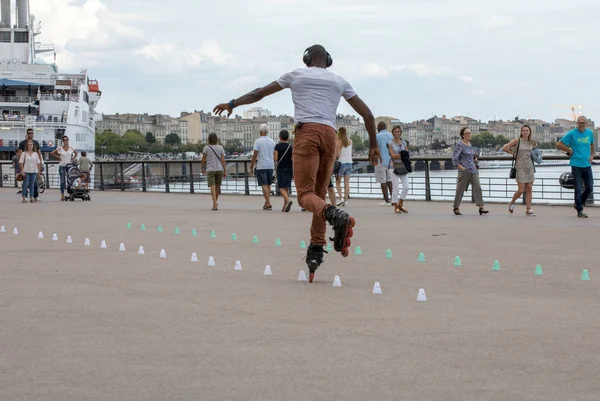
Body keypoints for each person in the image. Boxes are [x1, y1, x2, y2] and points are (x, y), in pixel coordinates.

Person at [213, 44, 380, 283]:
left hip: (308, 134)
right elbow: (368, 115)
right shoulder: (339, 81)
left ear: (306, 59)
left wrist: (232, 104)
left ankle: (333, 214)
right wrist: (373, 144)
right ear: (328, 61)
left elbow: (260, 93)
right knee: (319, 195)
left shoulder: (296, 75)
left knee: (304, 196)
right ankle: (316, 249)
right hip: (330, 136)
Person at [556, 115, 595, 218]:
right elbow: (558, 144)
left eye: (583, 123)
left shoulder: (590, 133)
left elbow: (592, 145)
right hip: (576, 165)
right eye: (579, 122)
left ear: (586, 124)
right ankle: (580, 210)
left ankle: (578, 203)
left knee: (590, 187)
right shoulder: (572, 134)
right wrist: (569, 150)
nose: (581, 124)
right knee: (577, 188)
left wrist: (592, 155)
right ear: (577, 123)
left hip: (587, 164)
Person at [452, 127, 489, 216]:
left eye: (470, 133)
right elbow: (454, 159)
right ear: (463, 135)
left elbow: (471, 155)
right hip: (464, 171)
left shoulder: (469, 144)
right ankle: (456, 207)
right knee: (460, 189)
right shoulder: (460, 145)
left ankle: (481, 207)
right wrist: (462, 168)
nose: (469, 134)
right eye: (467, 133)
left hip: (473, 169)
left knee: (478, 187)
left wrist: (475, 158)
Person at [502, 125, 537, 216]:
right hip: (520, 167)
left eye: (527, 131)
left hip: (529, 166)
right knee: (521, 190)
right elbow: (504, 148)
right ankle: (512, 202)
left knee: (529, 188)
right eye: (524, 131)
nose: (525, 132)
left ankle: (528, 209)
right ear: (521, 132)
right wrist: (513, 154)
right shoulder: (517, 141)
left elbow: (536, 152)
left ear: (530, 132)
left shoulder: (532, 142)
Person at [250, 124, 276, 210]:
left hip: (261, 165)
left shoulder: (258, 141)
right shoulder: (272, 141)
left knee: (264, 185)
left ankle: (268, 203)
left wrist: (251, 166)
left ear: (260, 131)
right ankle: (267, 202)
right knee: (268, 184)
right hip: (270, 165)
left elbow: (255, 154)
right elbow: (274, 154)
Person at [387, 125, 411, 214]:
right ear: (392, 133)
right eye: (395, 132)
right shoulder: (390, 143)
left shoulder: (404, 143)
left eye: (398, 131)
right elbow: (392, 155)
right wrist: (403, 155)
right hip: (393, 166)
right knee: (395, 187)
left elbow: (407, 154)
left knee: (406, 187)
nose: (396, 133)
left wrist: (402, 155)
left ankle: (401, 204)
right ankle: (395, 206)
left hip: (403, 166)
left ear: (400, 132)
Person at [201, 133, 227, 211]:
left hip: (210, 170)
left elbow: (203, 160)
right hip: (219, 169)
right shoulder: (220, 148)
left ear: (209, 139)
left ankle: (215, 203)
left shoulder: (206, 148)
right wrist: (225, 170)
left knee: (212, 187)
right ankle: (215, 202)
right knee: (217, 187)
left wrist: (202, 168)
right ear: (216, 139)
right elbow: (223, 160)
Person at [50, 135, 77, 201]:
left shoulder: (70, 148)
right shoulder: (60, 148)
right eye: (64, 140)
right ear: (62, 141)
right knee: (62, 181)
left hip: (69, 166)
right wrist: (58, 157)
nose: (65, 141)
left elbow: (76, 153)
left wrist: (73, 158)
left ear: (68, 140)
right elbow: (52, 153)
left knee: (70, 180)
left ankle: (71, 193)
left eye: (66, 139)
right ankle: (62, 194)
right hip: (62, 165)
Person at [18, 128, 42, 201]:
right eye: (29, 133)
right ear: (27, 134)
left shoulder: (36, 144)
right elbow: (20, 157)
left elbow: (39, 155)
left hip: (33, 169)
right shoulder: (22, 144)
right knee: (25, 184)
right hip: (26, 168)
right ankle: (24, 197)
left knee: (33, 184)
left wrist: (39, 169)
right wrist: (21, 170)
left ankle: (33, 196)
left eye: (31, 133)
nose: (30, 134)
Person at [274, 129, 294, 212]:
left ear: (280, 137)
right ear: (287, 137)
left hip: (281, 168)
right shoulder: (290, 146)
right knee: (286, 188)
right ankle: (285, 206)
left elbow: (275, 158)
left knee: (281, 187)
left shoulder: (277, 146)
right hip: (289, 167)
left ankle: (288, 200)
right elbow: (293, 158)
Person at [375, 121, 394, 206]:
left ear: (379, 128)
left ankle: (386, 200)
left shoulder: (377, 136)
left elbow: (375, 148)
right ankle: (393, 199)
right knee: (390, 180)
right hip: (390, 161)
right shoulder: (391, 135)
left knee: (382, 181)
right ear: (385, 127)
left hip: (380, 161)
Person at [335, 127, 353, 207]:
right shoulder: (350, 141)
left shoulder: (338, 142)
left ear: (339, 132)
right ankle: (346, 200)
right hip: (349, 162)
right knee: (347, 182)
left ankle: (341, 198)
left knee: (338, 182)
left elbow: (337, 155)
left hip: (341, 163)